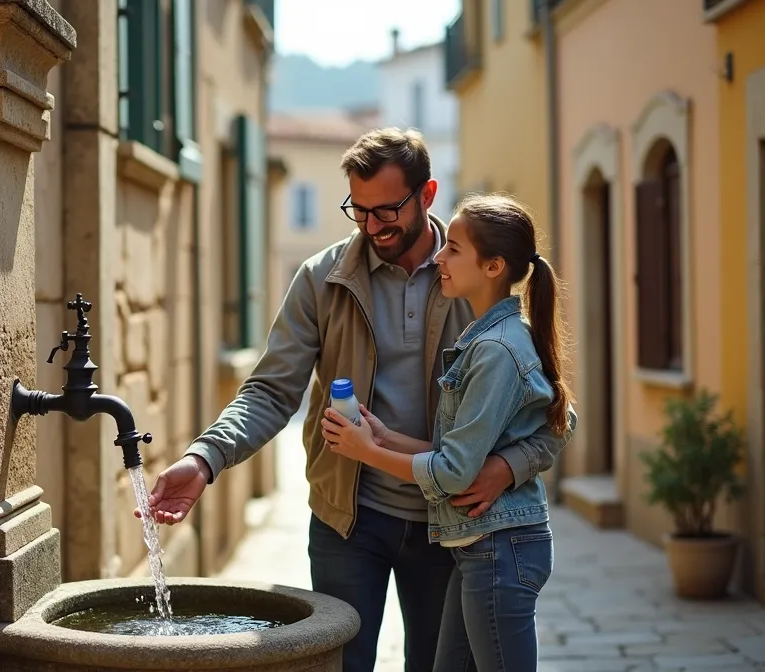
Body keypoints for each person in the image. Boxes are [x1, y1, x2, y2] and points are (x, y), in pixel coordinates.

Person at [136, 128, 572, 672]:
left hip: (452, 527)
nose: (371, 226)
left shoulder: (475, 280)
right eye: (358, 210)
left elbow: (552, 417)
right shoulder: (321, 278)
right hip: (349, 520)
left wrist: (507, 467)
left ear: (427, 194)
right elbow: (272, 389)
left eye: (386, 210)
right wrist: (205, 458)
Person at [321, 192, 576, 672]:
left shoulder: (498, 349)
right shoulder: (488, 337)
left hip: (501, 551)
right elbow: (461, 452)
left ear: (494, 266)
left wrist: (366, 452)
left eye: (454, 248)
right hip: (480, 548)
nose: (440, 256)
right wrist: (381, 435)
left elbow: (455, 472)